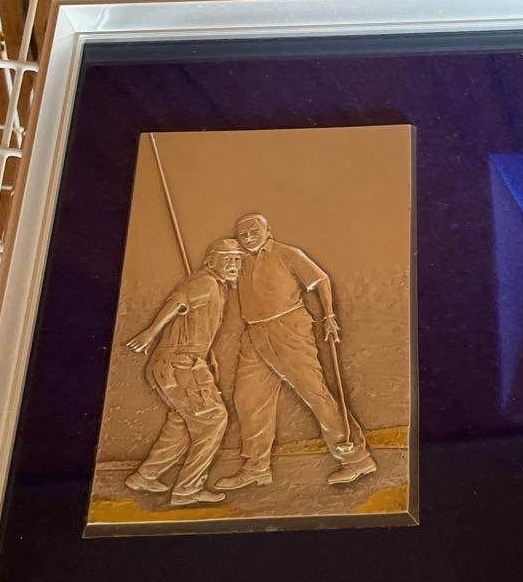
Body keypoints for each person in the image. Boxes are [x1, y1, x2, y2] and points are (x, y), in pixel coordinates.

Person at [216, 213, 376, 490]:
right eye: (243, 234)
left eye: (254, 231)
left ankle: (357, 460)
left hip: (288, 329)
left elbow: (321, 280)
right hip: (254, 334)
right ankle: (256, 468)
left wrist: (329, 316)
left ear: (268, 231)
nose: (249, 237)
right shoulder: (239, 261)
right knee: (249, 399)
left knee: (315, 394)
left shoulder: (286, 253)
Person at [123, 239, 244, 506]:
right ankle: (188, 490)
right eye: (227, 259)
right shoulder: (205, 282)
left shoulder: (217, 286)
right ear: (211, 261)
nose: (234, 264)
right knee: (213, 420)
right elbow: (177, 302)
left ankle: (144, 476)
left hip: (183, 364)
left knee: (181, 422)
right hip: (180, 365)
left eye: (237, 259)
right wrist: (149, 333)